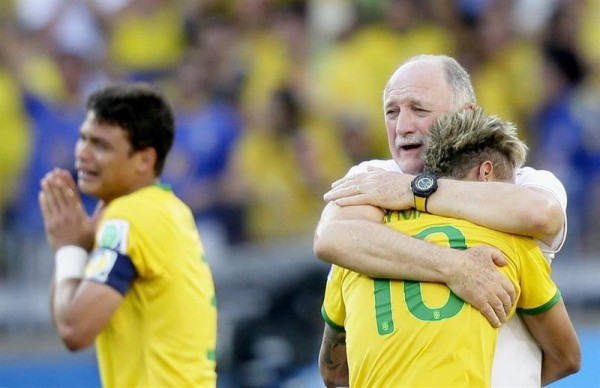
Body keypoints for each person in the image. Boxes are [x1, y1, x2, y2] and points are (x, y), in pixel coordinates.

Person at [314, 54, 568, 386]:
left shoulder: (517, 181)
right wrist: (454, 267)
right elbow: (332, 240)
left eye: (419, 110)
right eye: (392, 112)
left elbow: (541, 215)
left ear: (466, 114)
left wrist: (414, 190)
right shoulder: (372, 176)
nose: (402, 126)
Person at [38, 83, 217, 387]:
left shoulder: (130, 217)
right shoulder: (168, 209)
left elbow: (73, 329)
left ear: (144, 160)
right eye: (83, 138)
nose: (83, 153)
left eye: (101, 145)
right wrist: (80, 247)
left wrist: (69, 249)